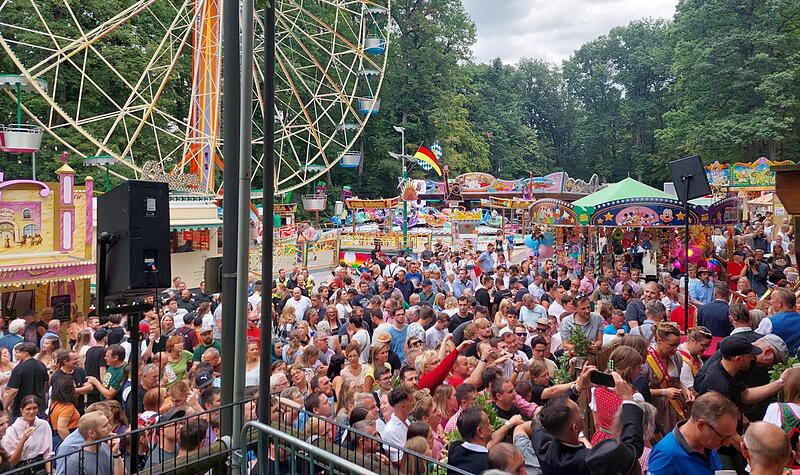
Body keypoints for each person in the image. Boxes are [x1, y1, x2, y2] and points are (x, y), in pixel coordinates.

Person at [532, 371, 643, 475]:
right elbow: (632, 450)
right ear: (575, 428)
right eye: (579, 413)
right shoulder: (593, 460)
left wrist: (577, 388)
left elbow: (548, 415)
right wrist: (628, 397)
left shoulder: (542, 445)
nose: (582, 416)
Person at [647, 391, 739, 475]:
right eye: (723, 437)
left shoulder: (707, 445)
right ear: (701, 425)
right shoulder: (665, 456)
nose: (726, 444)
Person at [642, 322, 691, 434]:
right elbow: (639, 391)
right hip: (656, 409)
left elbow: (676, 381)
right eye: (671, 345)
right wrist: (663, 392)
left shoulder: (677, 356)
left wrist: (685, 390)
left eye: (677, 345)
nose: (675, 349)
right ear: (659, 340)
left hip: (676, 407)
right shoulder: (645, 360)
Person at [1, 395, 52, 470]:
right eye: (28, 409)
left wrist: (49, 473)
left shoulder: (44, 425)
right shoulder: (12, 430)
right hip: (22, 468)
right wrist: (23, 440)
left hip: (40, 467)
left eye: (35, 408)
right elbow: (12, 462)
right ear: (22, 410)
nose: (32, 412)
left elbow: (48, 454)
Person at [65, 411, 123, 475]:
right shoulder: (75, 462)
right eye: (104, 426)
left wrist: (116, 454)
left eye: (108, 423)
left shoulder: (105, 446)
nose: (110, 427)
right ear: (92, 433)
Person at [3, 342, 48, 419]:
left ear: (26, 353)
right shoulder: (41, 365)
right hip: (39, 406)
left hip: (22, 407)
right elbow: (45, 384)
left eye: (18, 352)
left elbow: (13, 391)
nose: (16, 355)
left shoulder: (19, 369)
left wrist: (5, 406)